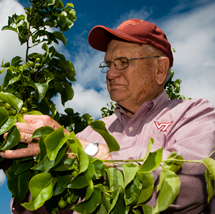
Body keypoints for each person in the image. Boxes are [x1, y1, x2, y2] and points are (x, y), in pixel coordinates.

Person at [1, 18, 215, 213]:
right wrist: (18, 170)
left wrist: (86, 150)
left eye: (123, 62)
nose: (111, 74)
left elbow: (192, 182)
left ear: (160, 68)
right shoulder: (91, 131)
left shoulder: (195, 114)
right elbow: (52, 204)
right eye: (108, 64)